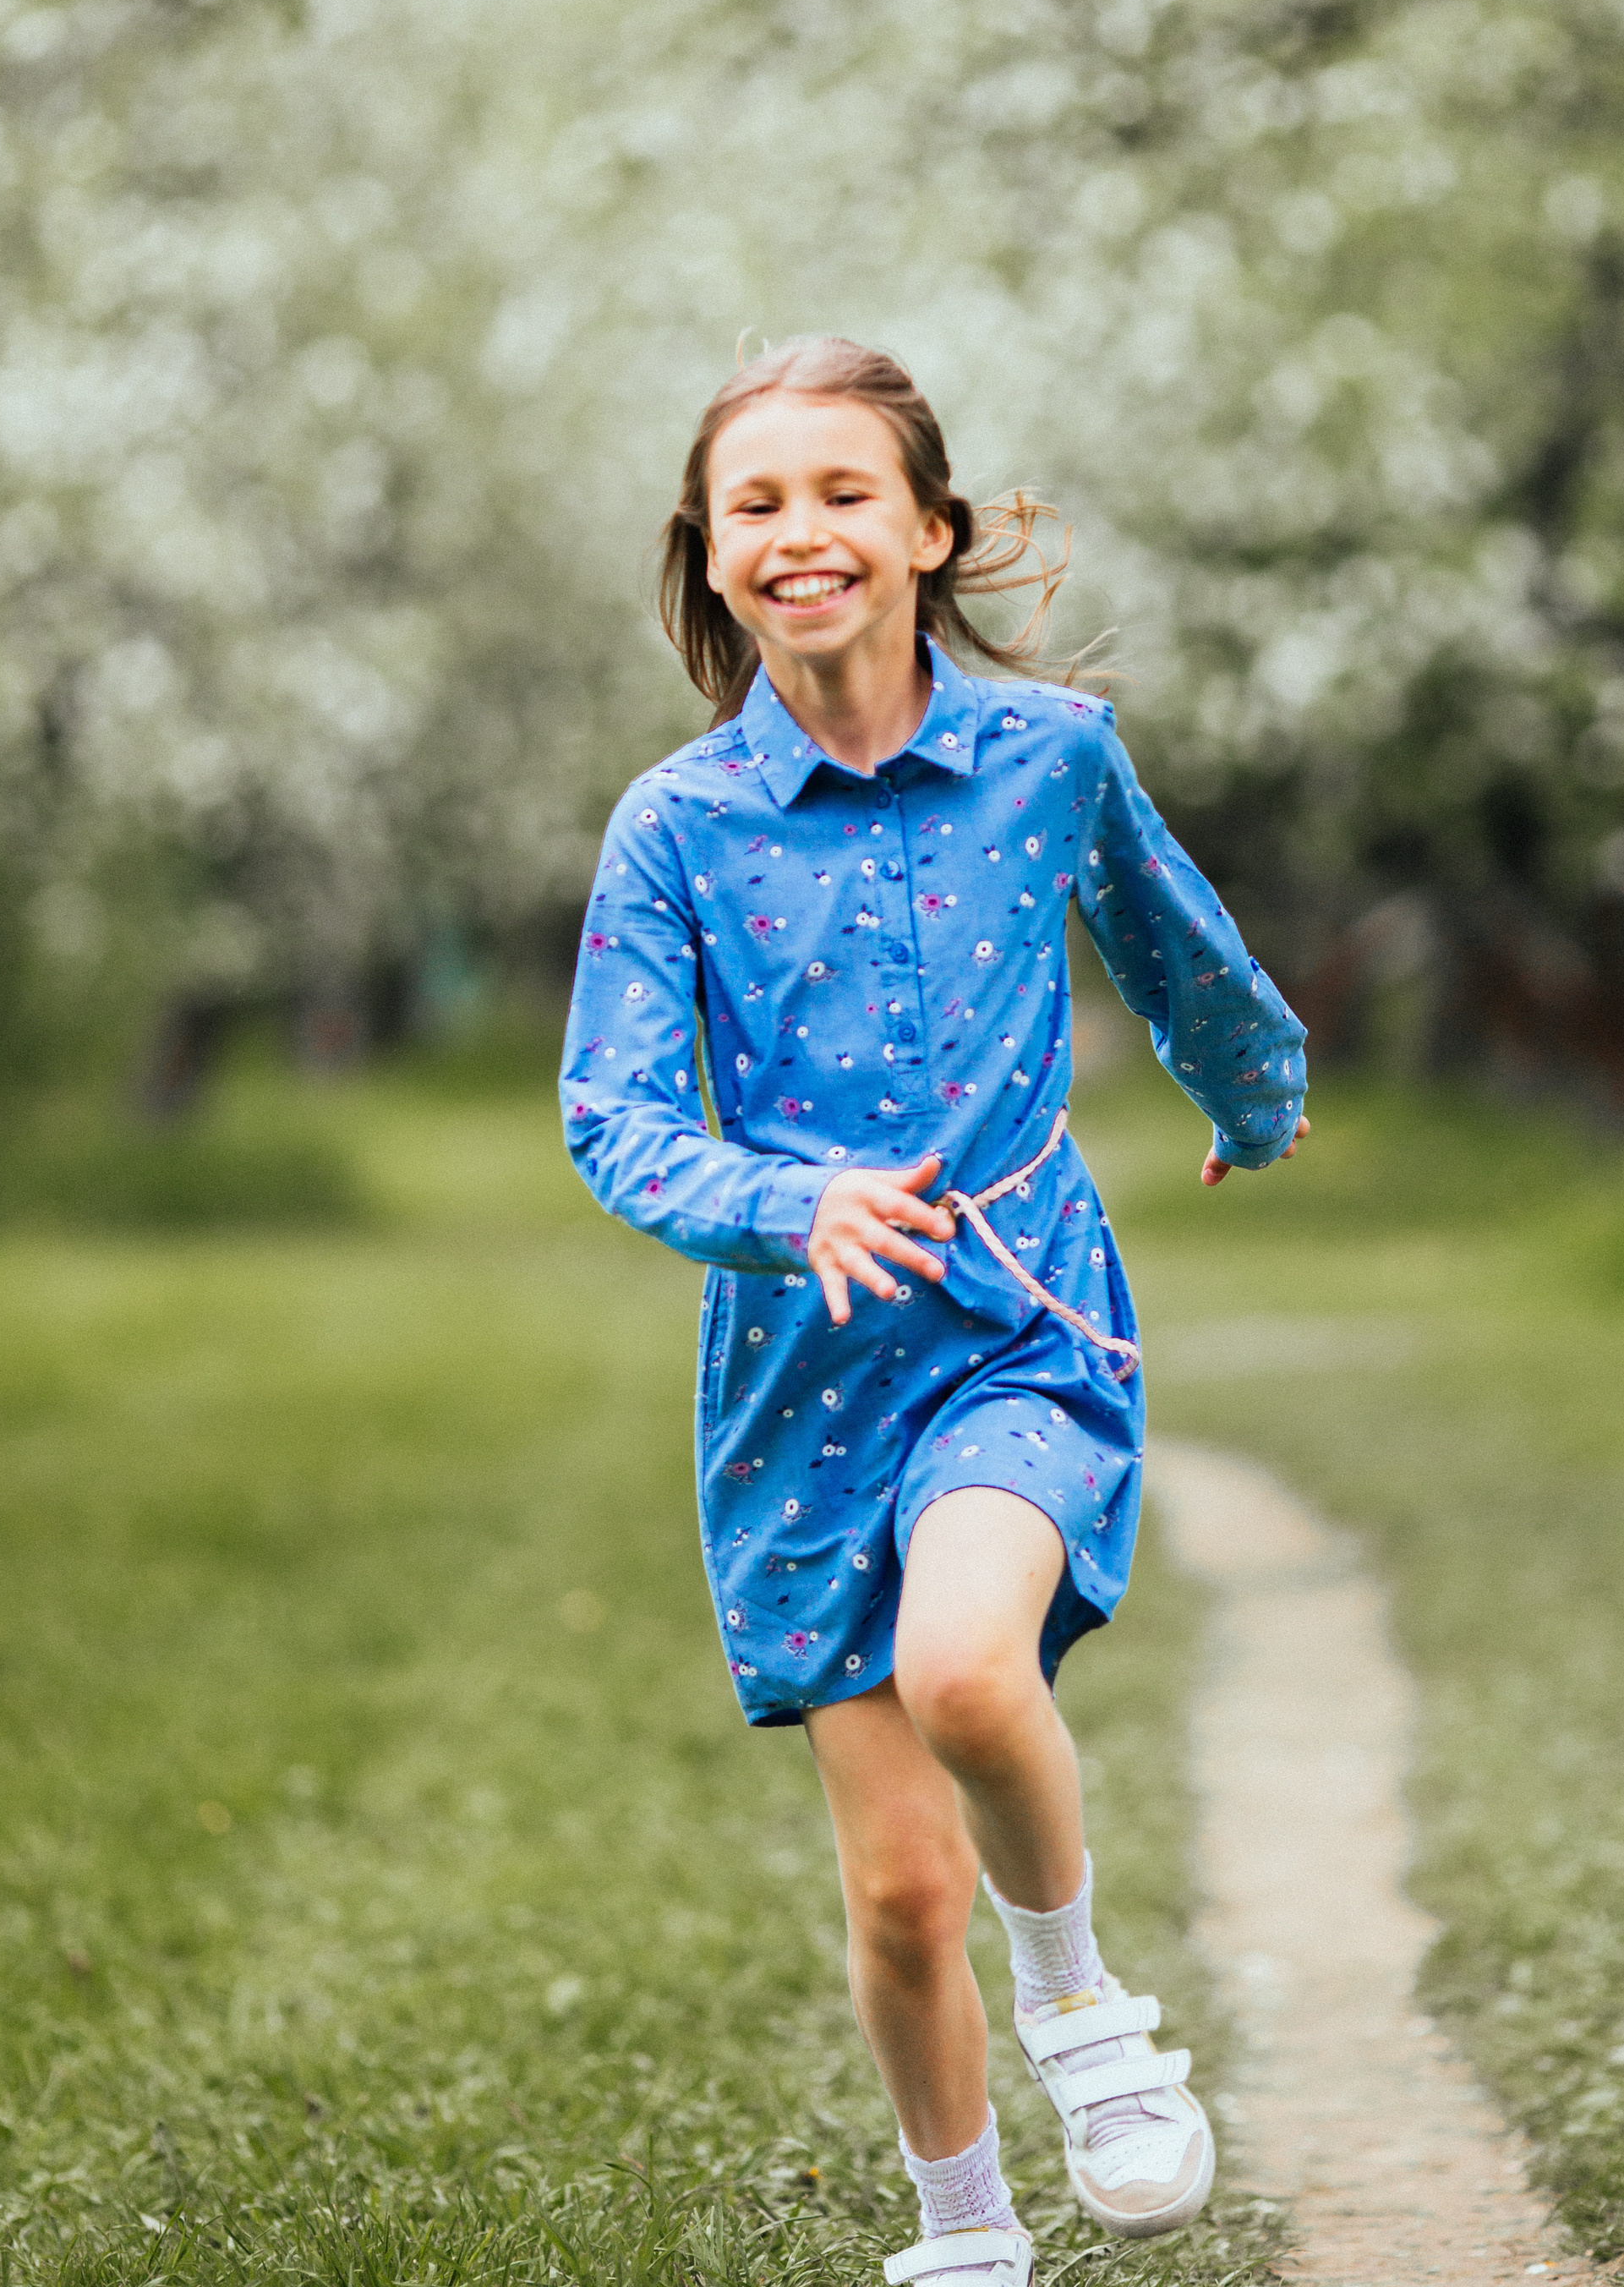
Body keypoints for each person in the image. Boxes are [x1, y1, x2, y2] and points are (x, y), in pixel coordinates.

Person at [560, 339, 1308, 2287]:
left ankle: (1083, 2013)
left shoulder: (1051, 757)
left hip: (1015, 1325)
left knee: (975, 1668)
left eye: (840, 495)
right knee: (898, 1895)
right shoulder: (674, 831)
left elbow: (1177, 944)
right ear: (710, 560)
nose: (800, 533)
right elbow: (614, 1118)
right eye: (756, 505)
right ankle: (964, 2234)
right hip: (801, 1393)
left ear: (927, 532)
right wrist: (784, 1202)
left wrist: (1255, 1097)